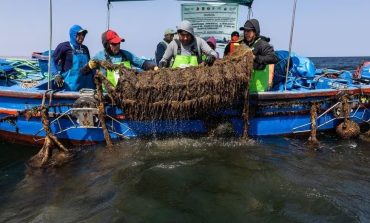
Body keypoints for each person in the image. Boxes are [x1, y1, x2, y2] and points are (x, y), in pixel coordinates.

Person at [88, 29, 157, 87]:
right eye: (114, 44)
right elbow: (84, 72)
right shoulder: (99, 56)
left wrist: (154, 67)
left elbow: (141, 63)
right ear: (107, 45)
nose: (117, 46)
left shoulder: (126, 54)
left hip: (126, 93)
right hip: (107, 95)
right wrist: (89, 66)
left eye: (119, 43)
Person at [51, 24, 94, 91]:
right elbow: (52, 61)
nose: (82, 37)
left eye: (83, 35)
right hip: (70, 87)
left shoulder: (85, 48)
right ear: (73, 35)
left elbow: (89, 66)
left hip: (86, 87)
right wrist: (56, 75)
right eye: (79, 34)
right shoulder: (63, 46)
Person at [239, 19, 278, 91]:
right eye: (245, 31)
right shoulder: (243, 44)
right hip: (246, 87)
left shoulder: (262, 44)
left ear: (255, 32)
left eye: (249, 31)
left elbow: (274, 58)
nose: (246, 33)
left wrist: (255, 58)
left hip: (259, 88)